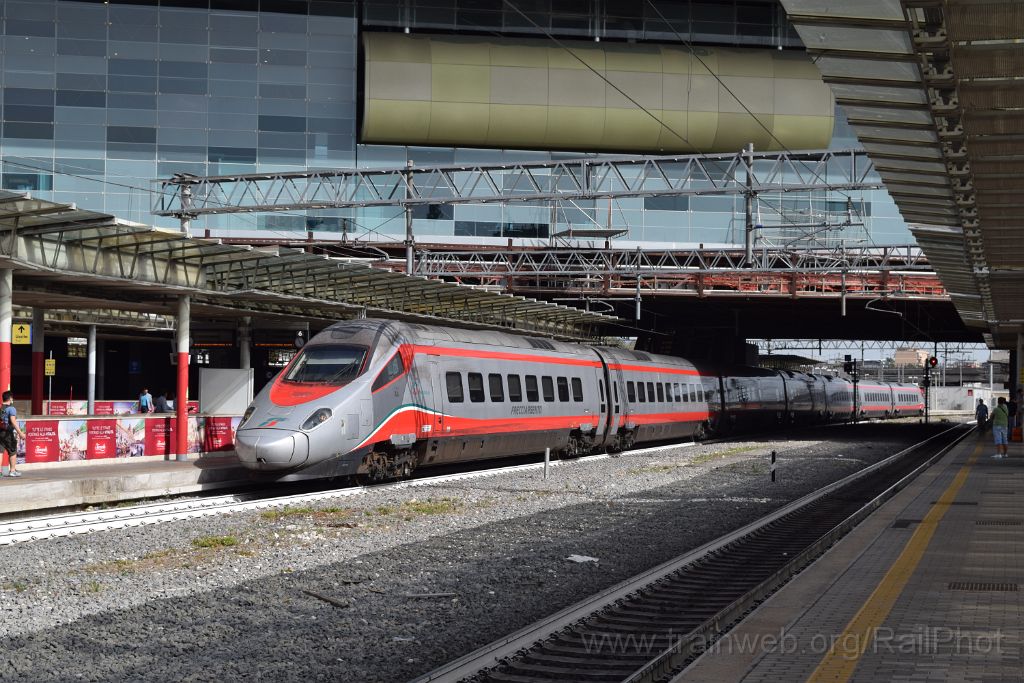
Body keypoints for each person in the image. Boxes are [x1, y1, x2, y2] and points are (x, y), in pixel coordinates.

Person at [1, 391, 25, 477]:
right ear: (10, 398)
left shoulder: (0, 407)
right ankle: (12, 471)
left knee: (0, 452)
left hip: (0, 432)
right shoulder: (11, 408)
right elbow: (13, 421)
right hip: (8, 433)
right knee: (12, 451)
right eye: (12, 398)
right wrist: (20, 433)